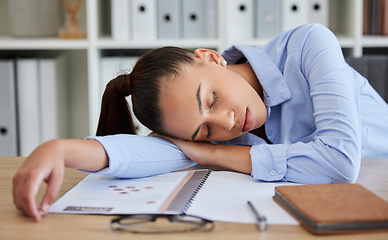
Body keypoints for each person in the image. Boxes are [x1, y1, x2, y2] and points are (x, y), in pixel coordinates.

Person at [13, 24, 388, 222]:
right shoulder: (195, 131)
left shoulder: (309, 45)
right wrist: (59, 149)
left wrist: (214, 154)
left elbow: (339, 164)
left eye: (210, 99)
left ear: (210, 57)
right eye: (205, 131)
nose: (226, 123)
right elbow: (141, 152)